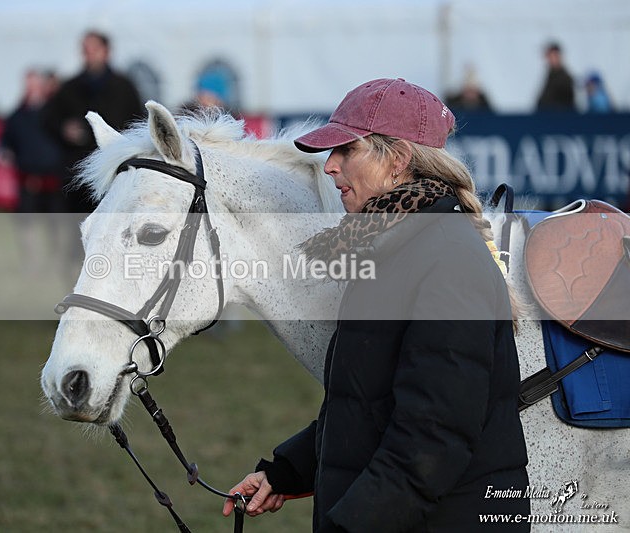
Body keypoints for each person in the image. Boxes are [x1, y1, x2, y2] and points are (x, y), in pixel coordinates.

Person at [223, 78, 529, 531]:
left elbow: (433, 438)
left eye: (347, 150)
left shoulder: (447, 259)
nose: (330, 166)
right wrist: (284, 472)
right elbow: (367, 406)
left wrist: (351, 525)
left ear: (398, 162)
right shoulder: (389, 248)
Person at [43, 30, 143, 214]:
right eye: (85, 49)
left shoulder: (124, 87)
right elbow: (50, 120)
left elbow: (138, 123)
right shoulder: (70, 88)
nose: (89, 53)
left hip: (115, 171)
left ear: (106, 51)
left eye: (94, 48)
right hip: (77, 174)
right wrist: (64, 129)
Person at [1, 68, 66, 276]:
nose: (32, 88)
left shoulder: (54, 113)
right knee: (26, 224)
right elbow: (5, 141)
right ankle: (31, 263)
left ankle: (55, 261)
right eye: (28, 83)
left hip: (52, 178)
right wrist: (4, 152)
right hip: (27, 178)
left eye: (35, 83)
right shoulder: (16, 116)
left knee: (54, 224)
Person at [536, 42, 575, 111]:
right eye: (548, 56)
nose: (549, 59)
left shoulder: (564, 79)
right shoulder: (550, 76)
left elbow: (567, 104)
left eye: (552, 56)